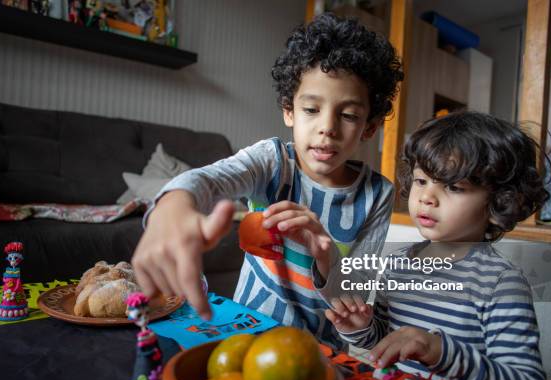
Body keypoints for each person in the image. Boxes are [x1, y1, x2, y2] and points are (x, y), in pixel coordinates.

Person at [131, 13, 403, 348]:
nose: (328, 127)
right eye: (311, 109)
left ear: (370, 127)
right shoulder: (272, 161)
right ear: (289, 110)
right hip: (243, 334)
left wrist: (325, 253)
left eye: (348, 115)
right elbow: (209, 180)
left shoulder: (377, 194)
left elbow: (353, 299)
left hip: (317, 353)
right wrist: (172, 206)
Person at [326, 111, 548, 380]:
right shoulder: (399, 263)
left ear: (499, 201)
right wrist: (360, 327)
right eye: (421, 181)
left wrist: (441, 351)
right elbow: (386, 344)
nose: (427, 197)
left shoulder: (500, 283)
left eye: (454, 186)